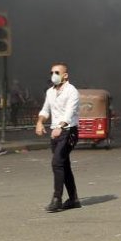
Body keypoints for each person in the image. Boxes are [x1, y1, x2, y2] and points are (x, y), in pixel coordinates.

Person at [37, 63, 81, 211]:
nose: (53, 75)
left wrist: (60, 126)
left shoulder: (71, 91)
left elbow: (70, 112)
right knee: (64, 165)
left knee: (57, 163)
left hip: (69, 131)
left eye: (57, 72)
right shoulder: (50, 92)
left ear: (65, 75)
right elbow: (45, 110)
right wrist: (40, 122)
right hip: (55, 132)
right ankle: (74, 199)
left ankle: (57, 199)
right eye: (51, 72)